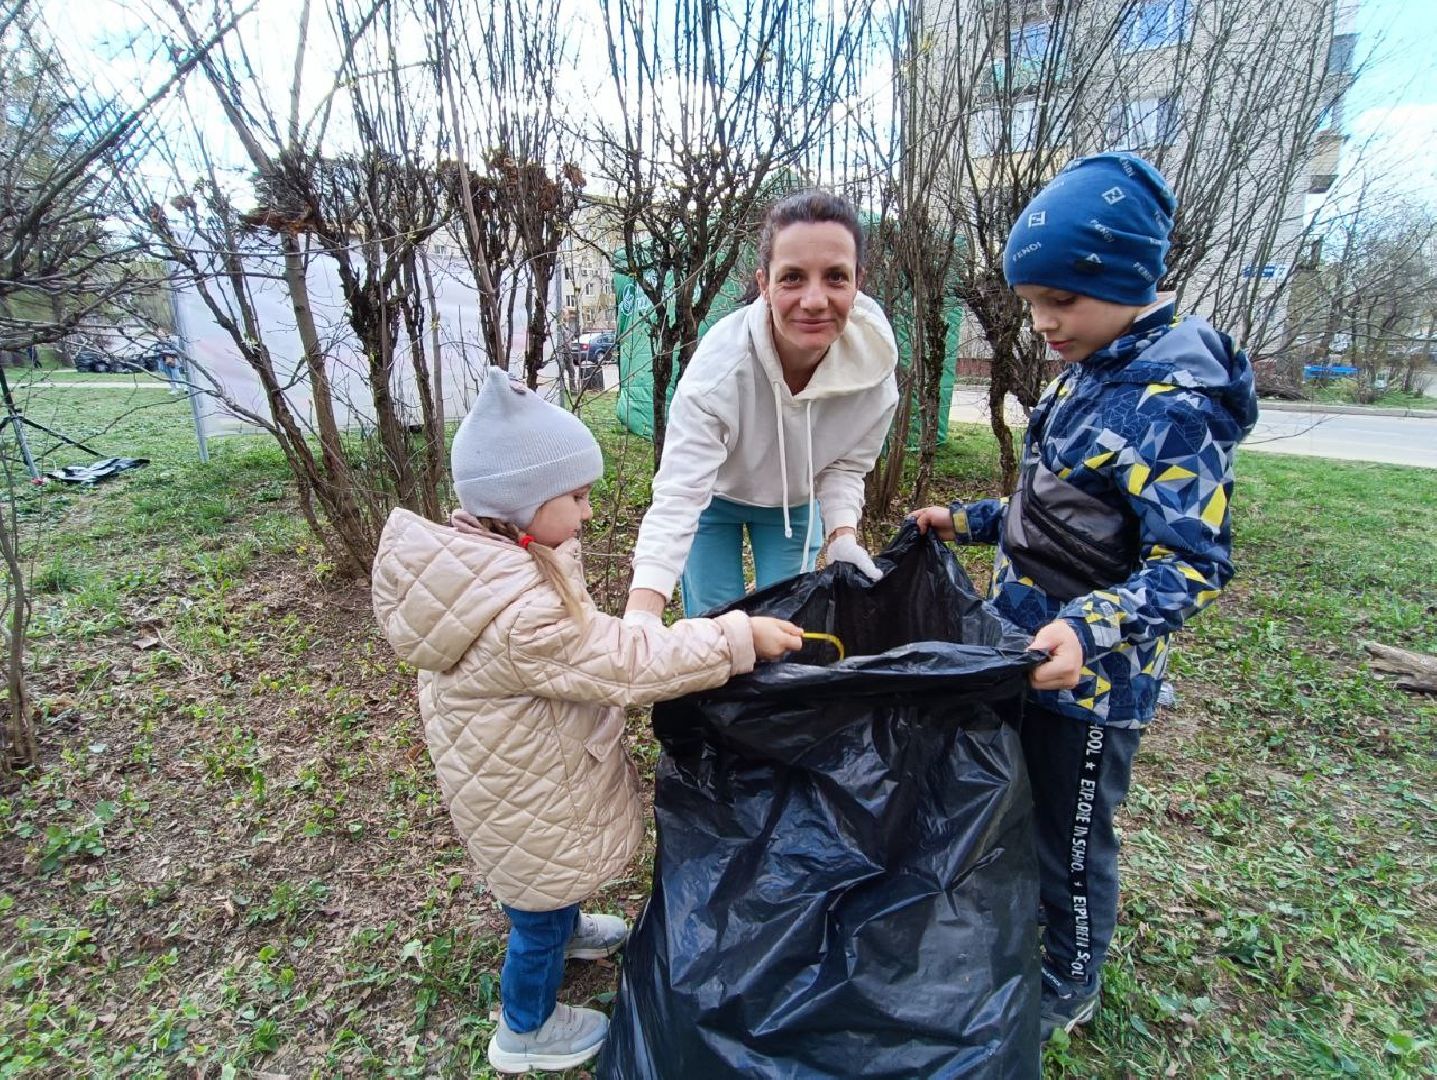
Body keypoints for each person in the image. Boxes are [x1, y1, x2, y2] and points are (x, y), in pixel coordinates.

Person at [909, 153, 1258, 1044]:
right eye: (1031, 303)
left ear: (1124, 280)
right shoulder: (1084, 373)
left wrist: (1087, 625)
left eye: (1059, 300)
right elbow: (1052, 507)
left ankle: (1070, 979)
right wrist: (968, 520)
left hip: (1091, 682)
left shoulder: (1175, 403)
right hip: (1024, 650)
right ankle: (1026, 935)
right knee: (1019, 808)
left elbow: (1192, 562)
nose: (1041, 322)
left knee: (1070, 835)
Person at [370, 367, 803, 1075]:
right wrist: (734, 639)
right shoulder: (518, 614)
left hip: (519, 774)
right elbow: (620, 660)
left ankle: (566, 928)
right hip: (526, 789)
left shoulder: (496, 559)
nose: (590, 513)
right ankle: (525, 1031)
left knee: (546, 891)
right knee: (534, 915)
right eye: (576, 497)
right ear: (522, 501)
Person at [624, 189, 900, 624]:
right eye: (792, 277)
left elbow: (846, 465)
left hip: (793, 503)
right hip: (712, 497)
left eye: (835, 277)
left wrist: (842, 531)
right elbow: (679, 494)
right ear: (764, 285)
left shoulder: (874, 372)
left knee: (784, 625)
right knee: (716, 624)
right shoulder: (720, 370)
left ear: (857, 283)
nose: (814, 300)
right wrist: (642, 612)